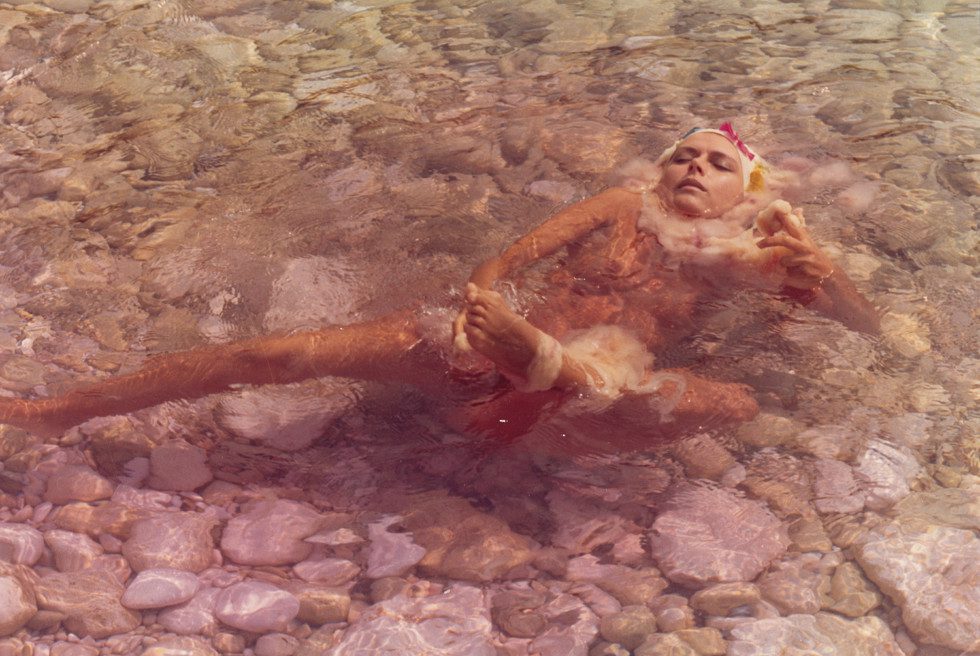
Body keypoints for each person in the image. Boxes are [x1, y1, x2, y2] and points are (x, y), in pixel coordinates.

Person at [0, 124, 879, 447]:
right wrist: (475, 309)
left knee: (733, 407)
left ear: (745, 192)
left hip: (591, 401)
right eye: (682, 153)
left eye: (717, 162)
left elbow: (864, 330)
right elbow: (506, 263)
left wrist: (828, 277)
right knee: (274, 352)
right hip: (479, 357)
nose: (692, 165)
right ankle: (55, 412)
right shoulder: (620, 204)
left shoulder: (761, 255)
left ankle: (557, 381)